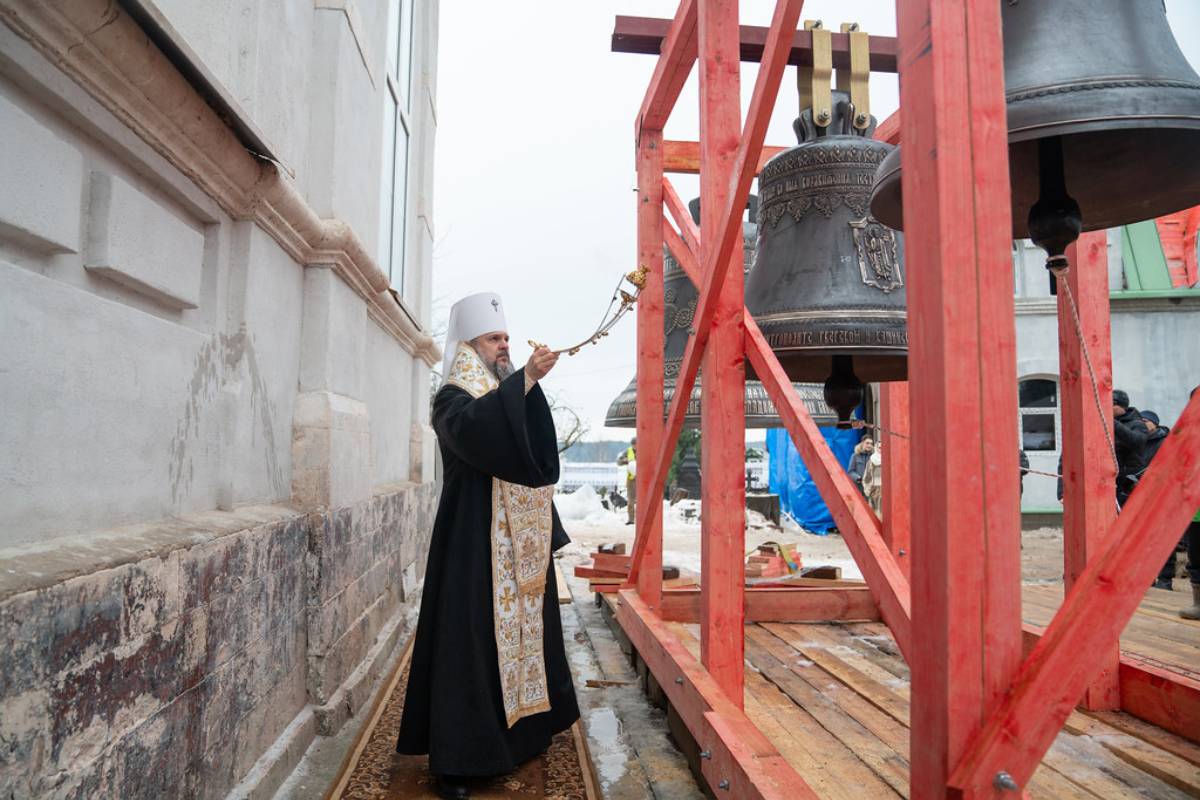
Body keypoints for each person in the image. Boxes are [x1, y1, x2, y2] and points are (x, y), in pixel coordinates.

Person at [396, 293, 579, 799]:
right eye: (495, 339)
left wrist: (522, 385)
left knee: (524, 635)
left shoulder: (502, 388)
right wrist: (525, 380)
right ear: (472, 344)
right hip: (471, 546)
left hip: (516, 545)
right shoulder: (451, 397)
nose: (505, 345)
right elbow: (476, 433)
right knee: (467, 644)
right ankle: (457, 760)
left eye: (505, 338)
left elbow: (528, 455)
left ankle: (521, 736)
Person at [1112, 389, 1148, 508]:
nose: (1108, 407)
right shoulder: (1104, 422)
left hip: (1128, 483)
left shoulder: (1137, 424)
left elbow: (1137, 442)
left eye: (1112, 404)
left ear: (1122, 406)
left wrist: (1114, 424)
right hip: (1111, 481)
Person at [616, 437, 637, 525]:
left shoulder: (644, 449)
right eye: (634, 444)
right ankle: (631, 519)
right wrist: (626, 461)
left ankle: (642, 519)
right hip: (631, 479)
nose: (635, 446)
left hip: (642, 478)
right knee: (631, 501)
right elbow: (619, 461)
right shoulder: (628, 451)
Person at [861, 441, 883, 515]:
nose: (881, 449)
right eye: (880, 447)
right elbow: (866, 477)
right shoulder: (871, 460)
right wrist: (868, 490)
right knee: (874, 514)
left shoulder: (890, 459)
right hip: (874, 491)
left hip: (886, 491)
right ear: (876, 448)